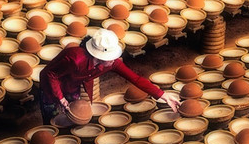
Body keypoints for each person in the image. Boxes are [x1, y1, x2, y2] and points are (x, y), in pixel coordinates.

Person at [39, 28, 181, 123]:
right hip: (51, 88)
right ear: (98, 56)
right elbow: (49, 74)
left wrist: (162, 95)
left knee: (74, 116)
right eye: (110, 56)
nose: (114, 59)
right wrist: (60, 98)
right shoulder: (75, 59)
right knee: (54, 121)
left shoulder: (112, 63)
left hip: (72, 86)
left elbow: (135, 78)